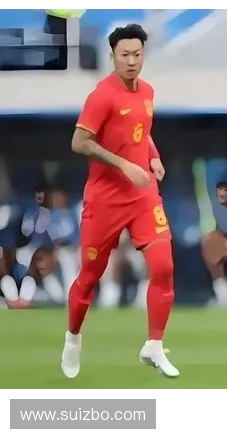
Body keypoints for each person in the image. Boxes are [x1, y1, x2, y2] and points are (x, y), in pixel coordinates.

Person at [61, 24, 178, 379]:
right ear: (112, 56)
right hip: (105, 200)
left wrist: (152, 157)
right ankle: (73, 336)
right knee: (89, 277)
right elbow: (79, 142)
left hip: (142, 194)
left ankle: (154, 344)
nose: (131, 61)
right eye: (124, 55)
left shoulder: (147, 91)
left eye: (136, 54)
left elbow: (141, 130)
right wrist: (123, 164)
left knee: (163, 266)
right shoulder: (102, 96)